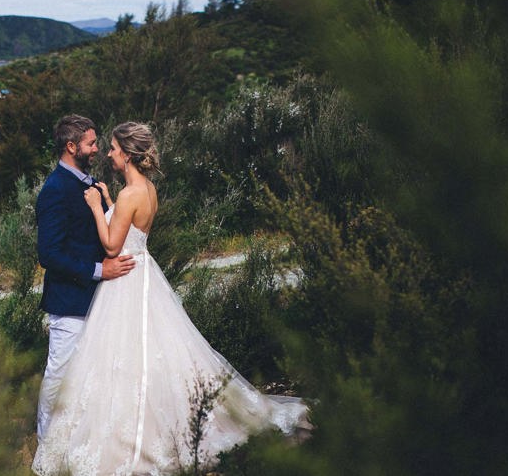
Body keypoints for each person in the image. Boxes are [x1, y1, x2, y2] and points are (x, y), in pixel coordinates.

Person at [32, 122, 310, 475]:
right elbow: (62, 248)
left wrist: (97, 207)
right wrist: (104, 203)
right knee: (137, 358)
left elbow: (113, 245)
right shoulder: (143, 189)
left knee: (125, 361)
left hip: (123, 281)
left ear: (129, 154)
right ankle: (76, 434)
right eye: (94, 144)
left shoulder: (128, 193)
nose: (106, 152)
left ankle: (128, 436)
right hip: (137, 276)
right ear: (72, 147)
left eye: (113, 148)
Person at [35, 114, 137, 442]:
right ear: (71, 146)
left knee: (92, 376)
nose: (96, 149)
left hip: (97, 300)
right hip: (69, 302)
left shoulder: (88, 182)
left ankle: (80, 442)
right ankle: (46, 444)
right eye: (91, 143)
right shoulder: (55, 189)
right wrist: (99, 271)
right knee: (60, 376)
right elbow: (49, 254)